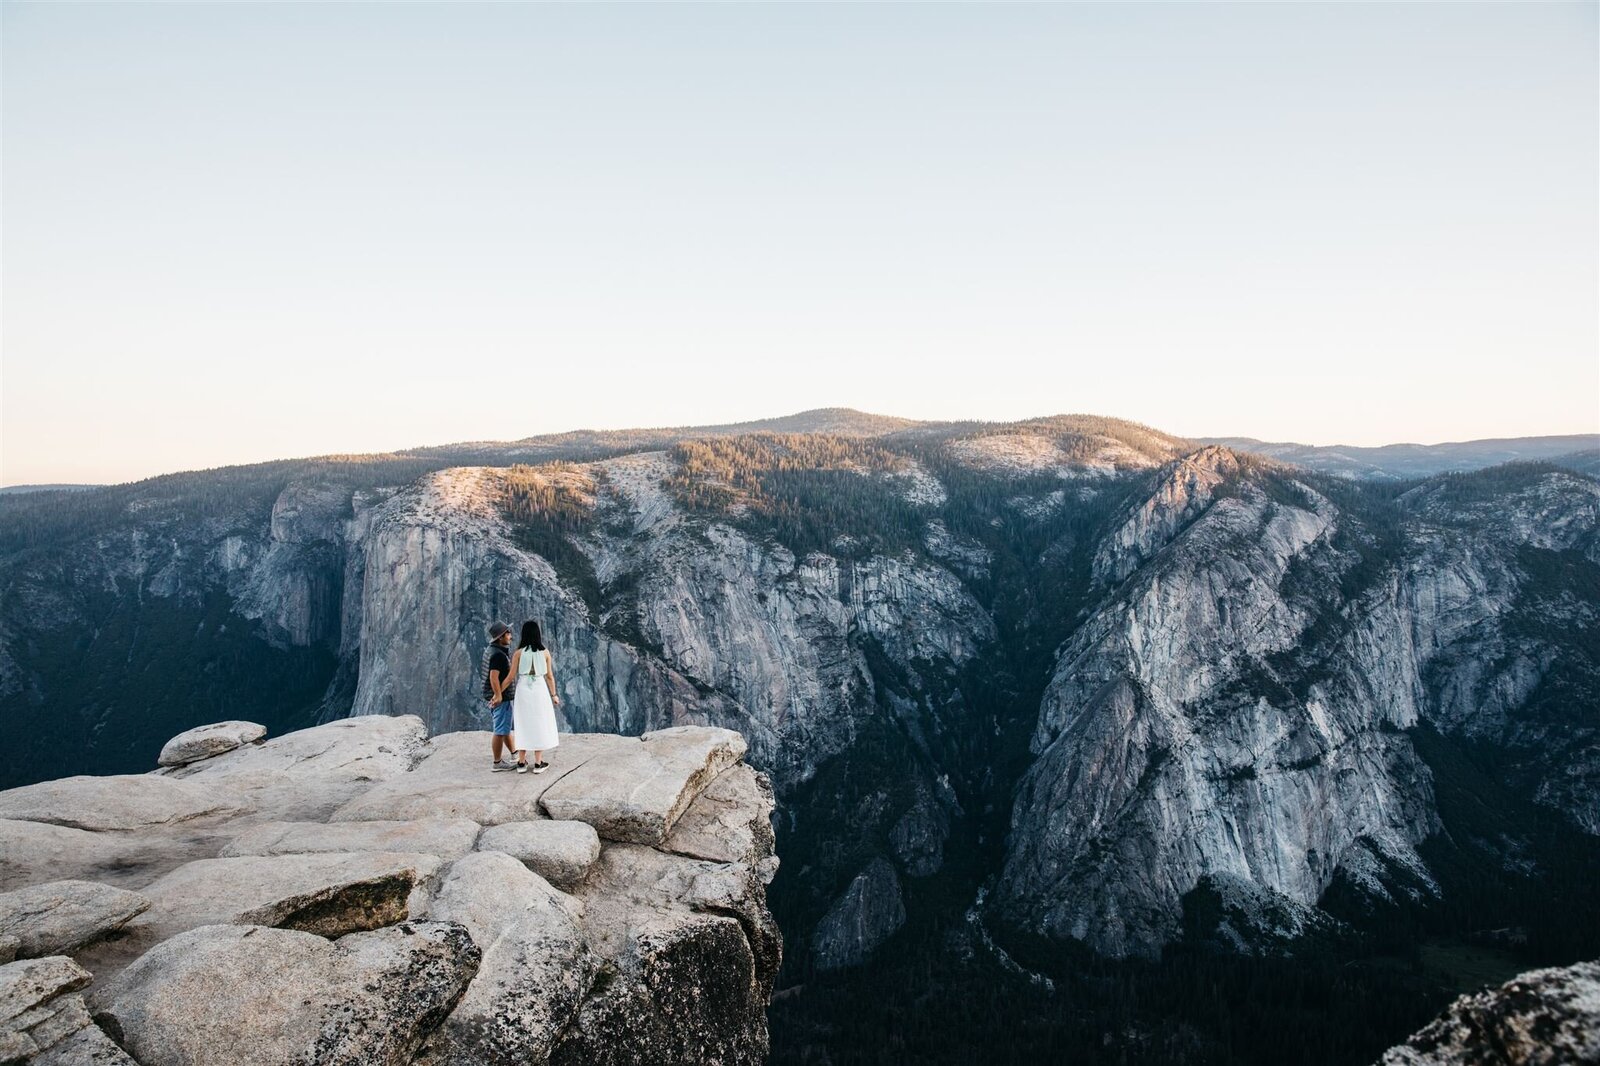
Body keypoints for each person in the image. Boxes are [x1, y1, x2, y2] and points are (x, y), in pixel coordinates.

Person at [508, 620, 561, 774]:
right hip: (539, 688)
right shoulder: (545, 652)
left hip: (523, 688)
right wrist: (554, 695)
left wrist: (497, 693)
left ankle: (521, 762)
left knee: (523, 722)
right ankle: (538, 763)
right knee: (539, 722)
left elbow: (511, 676)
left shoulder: (518, 653)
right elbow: (550, 676)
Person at [481, 621, 517, 772]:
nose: (510, 636)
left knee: (505, 727)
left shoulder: (492, 650)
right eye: (507, 633)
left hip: (496, 695)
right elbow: (493, 677)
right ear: (500, 637)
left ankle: (514, 753)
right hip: (501, 697)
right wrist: (498, 695)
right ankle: (497, 762)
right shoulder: (498, 655)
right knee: (500, 730)